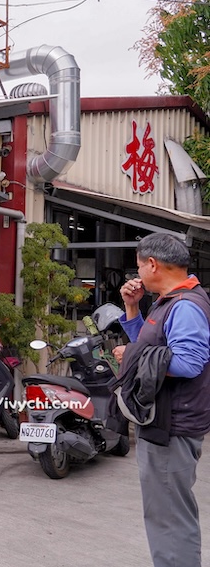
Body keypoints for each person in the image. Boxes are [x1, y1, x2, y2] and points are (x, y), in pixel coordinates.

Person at [113, 233, 210, 567]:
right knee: (164, 513)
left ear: (152, 264)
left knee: (169, 519)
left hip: (173, 427)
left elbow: (187, 363)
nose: (137, 273)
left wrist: (132, 355)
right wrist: (132, 308)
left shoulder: (185, 306)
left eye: (139, 265)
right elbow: (151, 346)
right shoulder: (168, 301)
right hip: (161, 423)